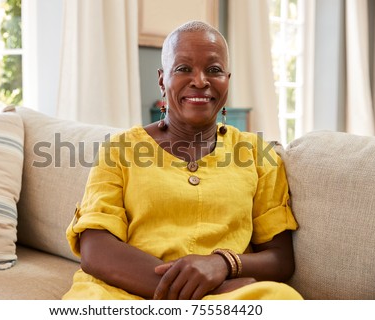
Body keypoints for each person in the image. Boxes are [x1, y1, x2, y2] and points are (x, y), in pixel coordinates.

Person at [63, 20, 302, 300]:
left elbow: (280, 259)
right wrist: (198, 296)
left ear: (227, 80)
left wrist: (223, 264)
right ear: (162, 80)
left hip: (226, 296)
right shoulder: (120, 150)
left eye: (213, 70)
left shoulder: (258, 154)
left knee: (283, 301)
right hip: (125, 292)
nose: (200, 81)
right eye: (183, 69)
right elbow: (96, 250)